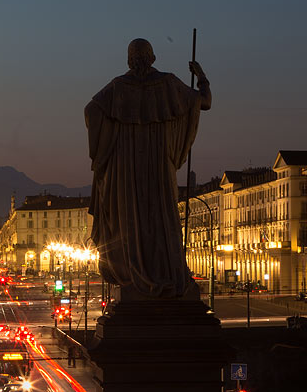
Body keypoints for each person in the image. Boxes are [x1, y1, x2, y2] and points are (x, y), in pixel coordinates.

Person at [85, 38, 212, 301]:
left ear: (129, 60)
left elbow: (91, 110)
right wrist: (201, 77)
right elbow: (205, 102)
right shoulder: (168, 84)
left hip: (127, 167)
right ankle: (168, 273)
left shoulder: (118, 87)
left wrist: (105, 145)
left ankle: (134, 275)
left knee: (130, 220)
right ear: (152, 58)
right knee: (161, 216)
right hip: (159, 166)